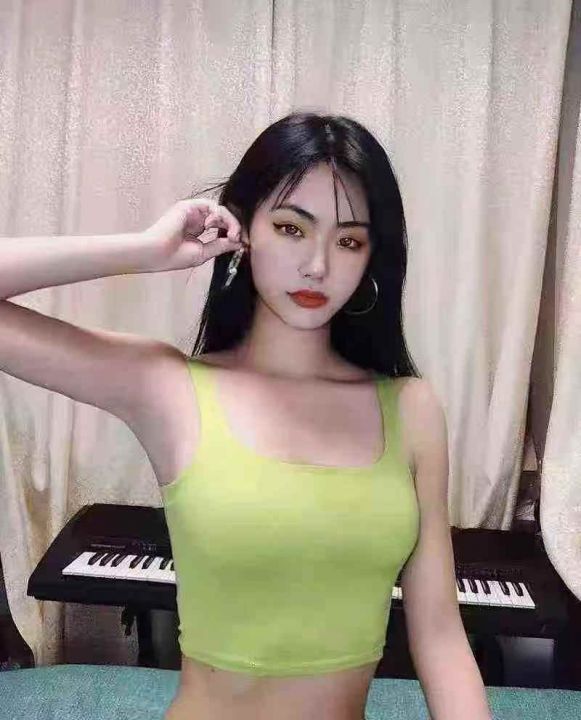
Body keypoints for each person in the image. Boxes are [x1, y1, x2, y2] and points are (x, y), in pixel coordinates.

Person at [1, 112, 491, 720]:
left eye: (348, 241)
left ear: (372, 258)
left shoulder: (412, 409)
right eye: (290, 228)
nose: (317, 265)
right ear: (244, 229)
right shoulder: (169, 388)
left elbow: (440, 637)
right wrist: (145, 250)